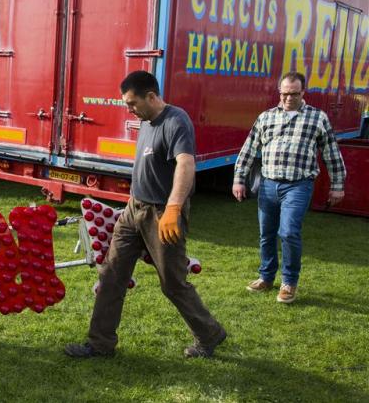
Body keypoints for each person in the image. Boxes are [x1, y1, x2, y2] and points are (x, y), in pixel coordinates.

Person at [65, 71, 226, 359]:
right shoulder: (147, 121)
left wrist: (174, 208)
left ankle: (209, 333)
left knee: (173, 284)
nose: (129, 109)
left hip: (162, 215)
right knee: (111, 275)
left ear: (151, 96)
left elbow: (185, 165)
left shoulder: (176, 121)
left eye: (132, 103)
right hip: (134, 209)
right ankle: (100, 344)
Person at [233, 71, 345, 304]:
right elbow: (248, 150)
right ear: (279, 92)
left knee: (289, 232)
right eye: (284, 93)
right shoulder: (266, 117)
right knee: (266, 234)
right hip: (268, 185)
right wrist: (239, 179)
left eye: (293, 94)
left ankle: (289, 282)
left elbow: (331, 154)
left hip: (298, 185)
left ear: (303, 92)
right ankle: (265, 277)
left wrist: (337, 185)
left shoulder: (317, 118)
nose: (287, 98)